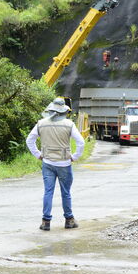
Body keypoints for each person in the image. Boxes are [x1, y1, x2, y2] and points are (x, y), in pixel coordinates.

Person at [26, 97, 85, 231]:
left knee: (48, 192)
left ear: (51, 109)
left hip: (47, 163)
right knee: (66, 192)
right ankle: (69, 220)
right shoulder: (69, 124)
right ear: (64, 110)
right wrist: (74, 157)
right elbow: (81, 142)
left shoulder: (41, 123)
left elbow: (30, 140)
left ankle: (46, 222)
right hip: (64, 163)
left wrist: (38, 154)